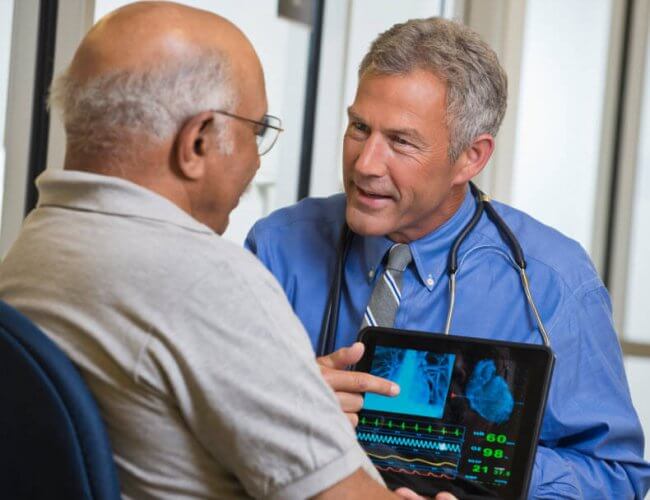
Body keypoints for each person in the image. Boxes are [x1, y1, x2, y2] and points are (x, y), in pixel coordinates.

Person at [0, 2, 433, 499]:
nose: (253, 158)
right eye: (256, 131)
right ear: (199, 142)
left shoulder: (31, 251)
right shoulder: (208, 281)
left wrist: (283, 391)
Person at [246, 17, 650, 498]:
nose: (366, 163)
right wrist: (282, 409)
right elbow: (200, 420)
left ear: (471, 158)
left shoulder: (552, 282)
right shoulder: (276, 246)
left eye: (401, 141)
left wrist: (486, 461)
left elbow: (616, 475)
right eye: (359, 127)